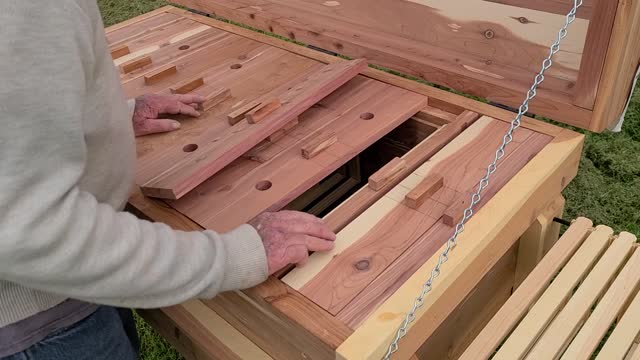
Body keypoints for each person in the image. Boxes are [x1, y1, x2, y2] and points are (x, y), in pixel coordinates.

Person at [0, 1, 337, 359]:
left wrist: (106, 118)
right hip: (37, 323)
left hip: (58, 287)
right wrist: (231, 257)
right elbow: (30, 229)